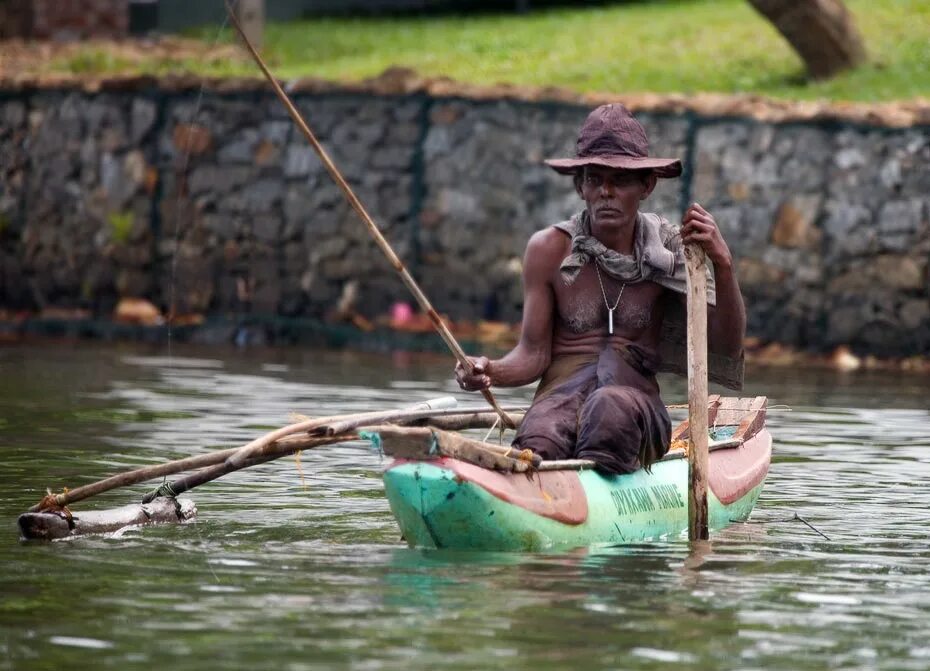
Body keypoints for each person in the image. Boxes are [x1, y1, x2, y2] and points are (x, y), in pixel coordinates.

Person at [455, 103, 746, 475]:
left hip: (635, 408)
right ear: (580, 186)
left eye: (620, 180)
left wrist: (723, 264)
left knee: (608, 409)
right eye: (595, 179)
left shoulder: (674, 252)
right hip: (558, 400)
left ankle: (601, 491)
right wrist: (487, 369)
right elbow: (533, 354)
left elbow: (726, 346)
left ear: (646, 186)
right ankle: (539, 489)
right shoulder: (548, 250)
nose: (606, 191)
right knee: (540, 437)